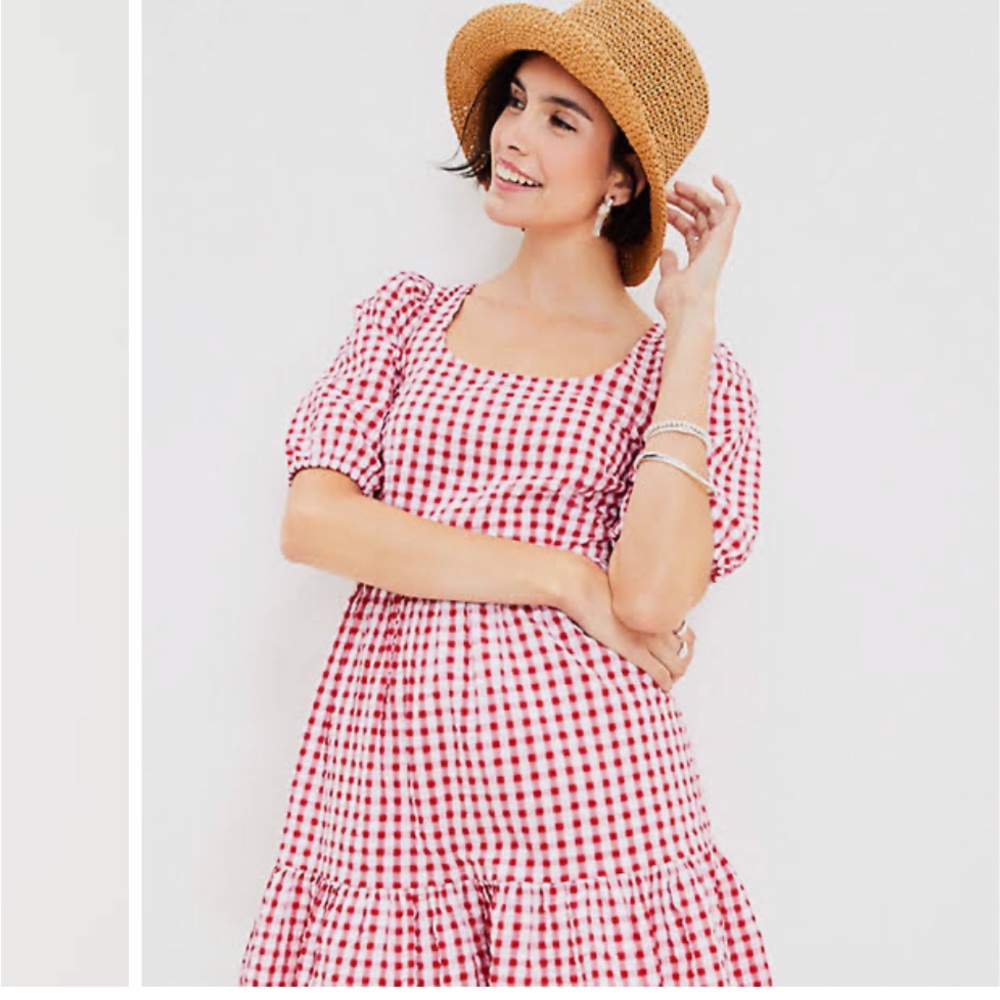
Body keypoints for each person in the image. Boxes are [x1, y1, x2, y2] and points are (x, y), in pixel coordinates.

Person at [239, 0, 771, 986]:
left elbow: (652, 600)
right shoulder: (407, 321)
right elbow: (313, 523)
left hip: (589, 803)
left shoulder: (684, 376)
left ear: (622, 176)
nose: (514, 136)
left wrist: (689, 324)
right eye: (515, 103)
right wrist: (568, 578)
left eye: (561, 120)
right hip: (394, 793)